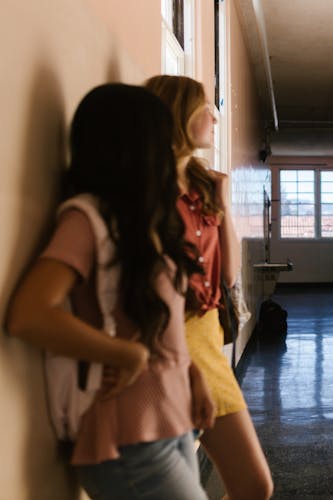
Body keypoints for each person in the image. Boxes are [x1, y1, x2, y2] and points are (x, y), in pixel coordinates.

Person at [5, 83, 215, 499]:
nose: (167, 149)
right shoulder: (87, 219)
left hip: (171, 418)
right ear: (133, 146)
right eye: (159, 139)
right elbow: (28, 314)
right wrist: (124, 353)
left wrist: (194, 376)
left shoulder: (142, 224)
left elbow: (162, 320)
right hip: (126, 438)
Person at [144, 75, 273, 500]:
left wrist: (221, 201)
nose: (215, 117)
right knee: (246, 484)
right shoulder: (147, 190)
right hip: (167, 340)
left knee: (253, 484)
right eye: (205, 107)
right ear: (178, 114)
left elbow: (229, 276)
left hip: (209, 334)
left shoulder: (202, 187)